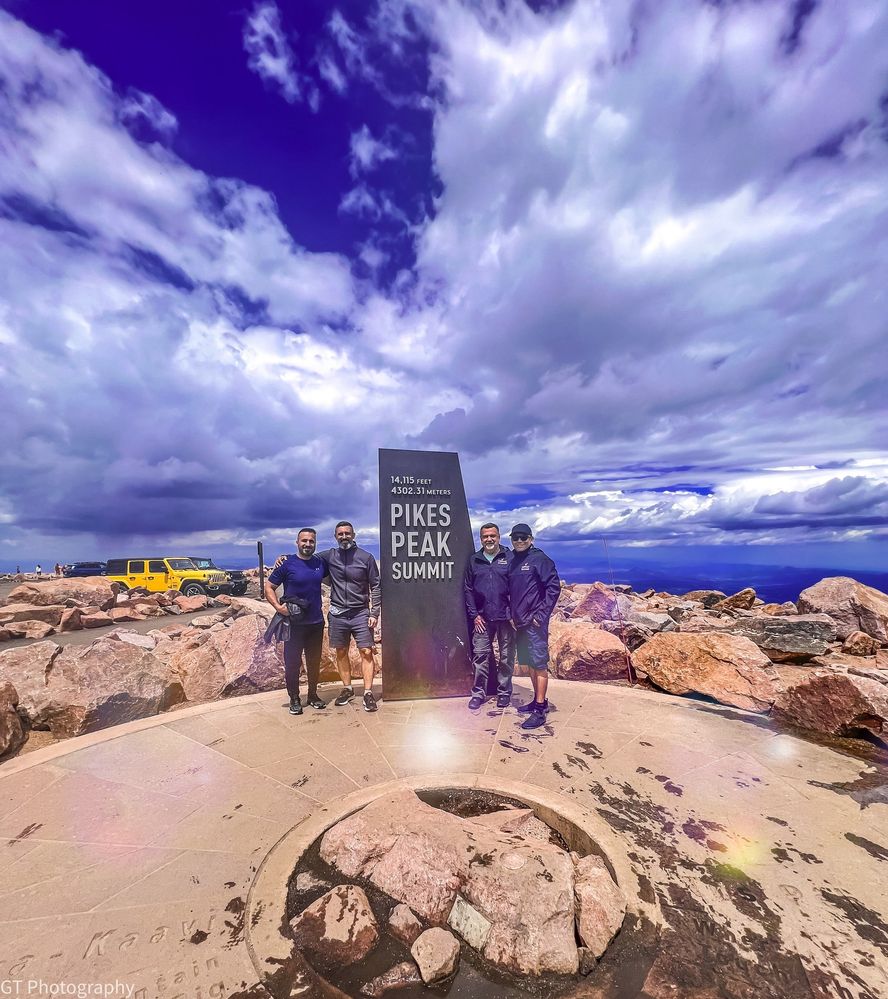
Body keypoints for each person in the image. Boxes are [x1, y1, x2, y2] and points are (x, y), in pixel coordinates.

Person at [263, 528, 328, 715]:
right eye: (304, 541)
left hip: (316, 622)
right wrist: (278, 606)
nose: (308, 544)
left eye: (311, 541)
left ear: (315, 543)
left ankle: (313, 695)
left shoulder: (319, 563)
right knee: (292, 662)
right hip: (293, 623)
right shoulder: (287, 564)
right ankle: (294, 698)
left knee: (314, 662)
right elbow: (269, 586)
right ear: (297, 542)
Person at [320, 521, 381, 712]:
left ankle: (368, 692)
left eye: (347, 533)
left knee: (366, 652)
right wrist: (284, 558)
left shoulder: (366, 558)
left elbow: (376, 586)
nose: (344, 537)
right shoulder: (330, 555)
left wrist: (374, 612)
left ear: (353, 535)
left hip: (360, 612)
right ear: (335, 536)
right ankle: (347, 689)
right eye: (340, 534)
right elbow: (305, 559)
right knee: (340, 651)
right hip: (338, 613)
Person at [507, 523, 561, 730]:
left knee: (539, 664)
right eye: (515, 538)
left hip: (534, 623)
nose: (519, 541)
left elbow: (553, 588)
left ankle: (540, 709)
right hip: (519, 623)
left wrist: (541, 615)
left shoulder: (540, 559)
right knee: (528, 663)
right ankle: (538, 701)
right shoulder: (512, 559)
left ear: (531, 538)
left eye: (523, 537)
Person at [464, 523, 515, 710]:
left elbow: (517, 587)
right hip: (482, 619)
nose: (489, 539)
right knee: (480, 656)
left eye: (492, 536)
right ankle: (478, 694)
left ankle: (504, 693)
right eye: (485, 536)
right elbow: (468, 589)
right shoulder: (474, 560)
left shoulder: (509, 558)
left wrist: (514, 613)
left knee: (507, 657)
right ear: (481, 538)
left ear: (499, 537)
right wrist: (474, 615)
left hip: (506, 618)